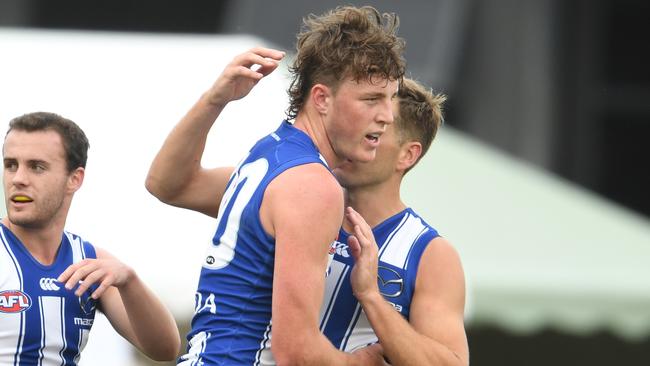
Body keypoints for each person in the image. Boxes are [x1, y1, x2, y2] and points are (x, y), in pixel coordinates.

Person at [145, 5, 405, 365]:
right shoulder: (311, 185)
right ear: (321, 99)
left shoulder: (272, 155)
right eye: (372, 99)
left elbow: (169, 184)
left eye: (392, 98)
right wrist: (357, 362)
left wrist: (214, 100)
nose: (388, 116)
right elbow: (295, 352)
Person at [0, 112, 180, 365]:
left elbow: (165, 349)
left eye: (36, 167)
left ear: (74, 179)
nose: (18, 179)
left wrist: (130, 281)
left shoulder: (89, 263)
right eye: (10, 165)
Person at [320, 78, 469, 365]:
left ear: (408, 155)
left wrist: (370, 296)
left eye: (375, 132)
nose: (354, 136)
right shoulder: (296, 199)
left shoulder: (431, 253)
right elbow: (202, 185)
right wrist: (216, 100)